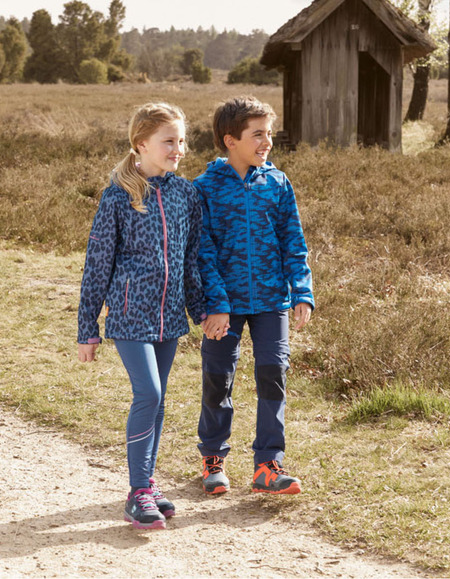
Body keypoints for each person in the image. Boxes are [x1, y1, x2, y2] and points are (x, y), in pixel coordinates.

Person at [77, 102, 206, 530]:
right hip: (130, 315)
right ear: (141, 144)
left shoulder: (186, 194)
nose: (178, 149)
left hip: (170, 317)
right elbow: (97, 265)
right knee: (148, 393)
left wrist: (201, 310)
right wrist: (88, 329)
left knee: (159, 399)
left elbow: (191, 259)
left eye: (181, 141)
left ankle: (148, 482)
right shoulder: (118, 196)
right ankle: (137, 492)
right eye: (169, 141)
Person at [194, 96, 314, 495]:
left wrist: (301, 290)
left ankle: (268, 465)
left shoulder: (277, 183)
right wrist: (216, 305)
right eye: (257, 134)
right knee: (218, 379)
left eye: (269, 133)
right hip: (222, 307)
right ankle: (213, 459)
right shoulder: (205, 188)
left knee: (273, 376)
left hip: (271, 301)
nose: (267, 142)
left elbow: (293, 241)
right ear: (231, 140)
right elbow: (203, 252)